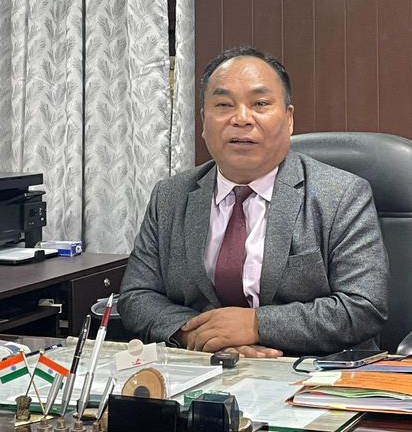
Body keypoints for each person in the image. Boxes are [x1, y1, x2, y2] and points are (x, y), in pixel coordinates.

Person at [118, 46, 388, 357]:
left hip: (313, 370)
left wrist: (257, 325)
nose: (241, 119)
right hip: (203, 367)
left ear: (288, 119)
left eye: (260, 104)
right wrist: (198, 335)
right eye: (224, 105)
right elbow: (137, 296)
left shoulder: (341, 195)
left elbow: (364, 306)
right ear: (204, 121)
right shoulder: (170, 196)